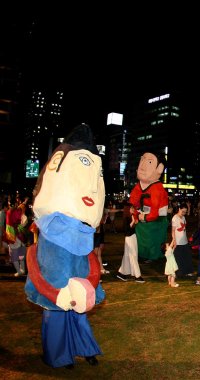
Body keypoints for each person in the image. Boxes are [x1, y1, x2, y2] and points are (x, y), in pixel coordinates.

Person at [24, 124, 106, 369]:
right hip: (57, 245)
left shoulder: (84, 229)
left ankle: (83, 348)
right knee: (58, 307)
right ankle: (60, 354)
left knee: (79, 306)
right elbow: (37, 267)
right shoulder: (51, 226)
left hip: (79, 244)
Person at [129, 151, 169, 262]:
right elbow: (133, 201)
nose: (143, 165)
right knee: (141, 240)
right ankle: (142, 254)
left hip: (156, 221)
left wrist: (145, 217)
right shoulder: (139, 186)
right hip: (143, 219)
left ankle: (154, 256)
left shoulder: (157, 188)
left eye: (150, 162)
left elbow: (156, 209)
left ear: (159, 168)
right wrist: (134, 213)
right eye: (142, 159)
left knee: (153, 240)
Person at [117, 204, 144, 282]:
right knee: (133, 255)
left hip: (132, 237)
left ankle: (121, 273)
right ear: (128, 209)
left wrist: (134, 222)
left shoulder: (131, 216)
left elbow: (132, 226)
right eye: (131, 208)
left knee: (127, 256)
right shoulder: (126, 218)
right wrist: (133, 222)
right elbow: (126, 230)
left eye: (133, 208)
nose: (133, 209)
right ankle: (137, 276)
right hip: (129, 238)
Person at [171, 203, 194, 278]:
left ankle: (188, 271)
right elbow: (173, 231)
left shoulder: (183, 217)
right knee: (178, 258)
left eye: (185, 212)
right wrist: (174, 241)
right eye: (183, 211)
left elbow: (184, 229)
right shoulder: (175, 218)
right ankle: (178, 273)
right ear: (179, 209)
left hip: (185, 241)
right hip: (178, 242)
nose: (184, 213)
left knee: (187, 257)